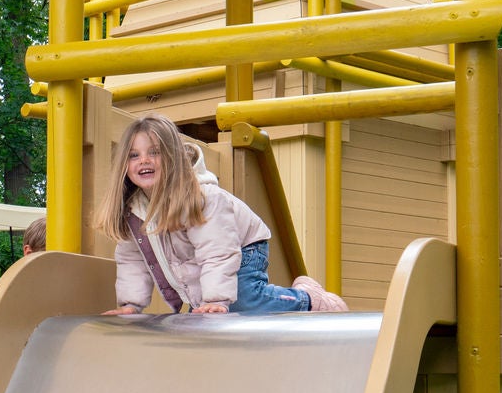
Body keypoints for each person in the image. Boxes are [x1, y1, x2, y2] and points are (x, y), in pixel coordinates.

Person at [97, 114, 346, 316]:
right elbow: (134, 261)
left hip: (242, 244)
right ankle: (214, 298)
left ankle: (309, 298)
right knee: (204, 311)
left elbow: (217, 251)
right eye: (134, 155)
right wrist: (131, 304)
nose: (144, 160)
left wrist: (217, 300)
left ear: (172, 157)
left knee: (246, 301)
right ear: (124, 165)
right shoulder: (134, 211)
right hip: (206, 258)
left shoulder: (202, 198)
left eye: (154, 152)